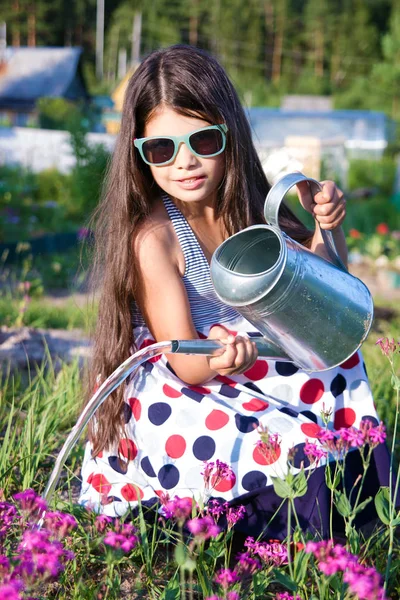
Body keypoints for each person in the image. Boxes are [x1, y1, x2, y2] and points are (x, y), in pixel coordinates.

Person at [79, 44, 389, 539]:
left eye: (202, 141)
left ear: (229, 135)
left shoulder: (246, 211)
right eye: (162, 149)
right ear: (138, 153)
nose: (184, 163)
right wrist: (225, 360)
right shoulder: (154, 239)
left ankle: (354, 482)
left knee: (338, 361)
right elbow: (183, 360)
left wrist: (324, 228)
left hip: (248, 359)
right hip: (190, 378)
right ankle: (286, 506)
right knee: (278, 440)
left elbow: (322, 304)